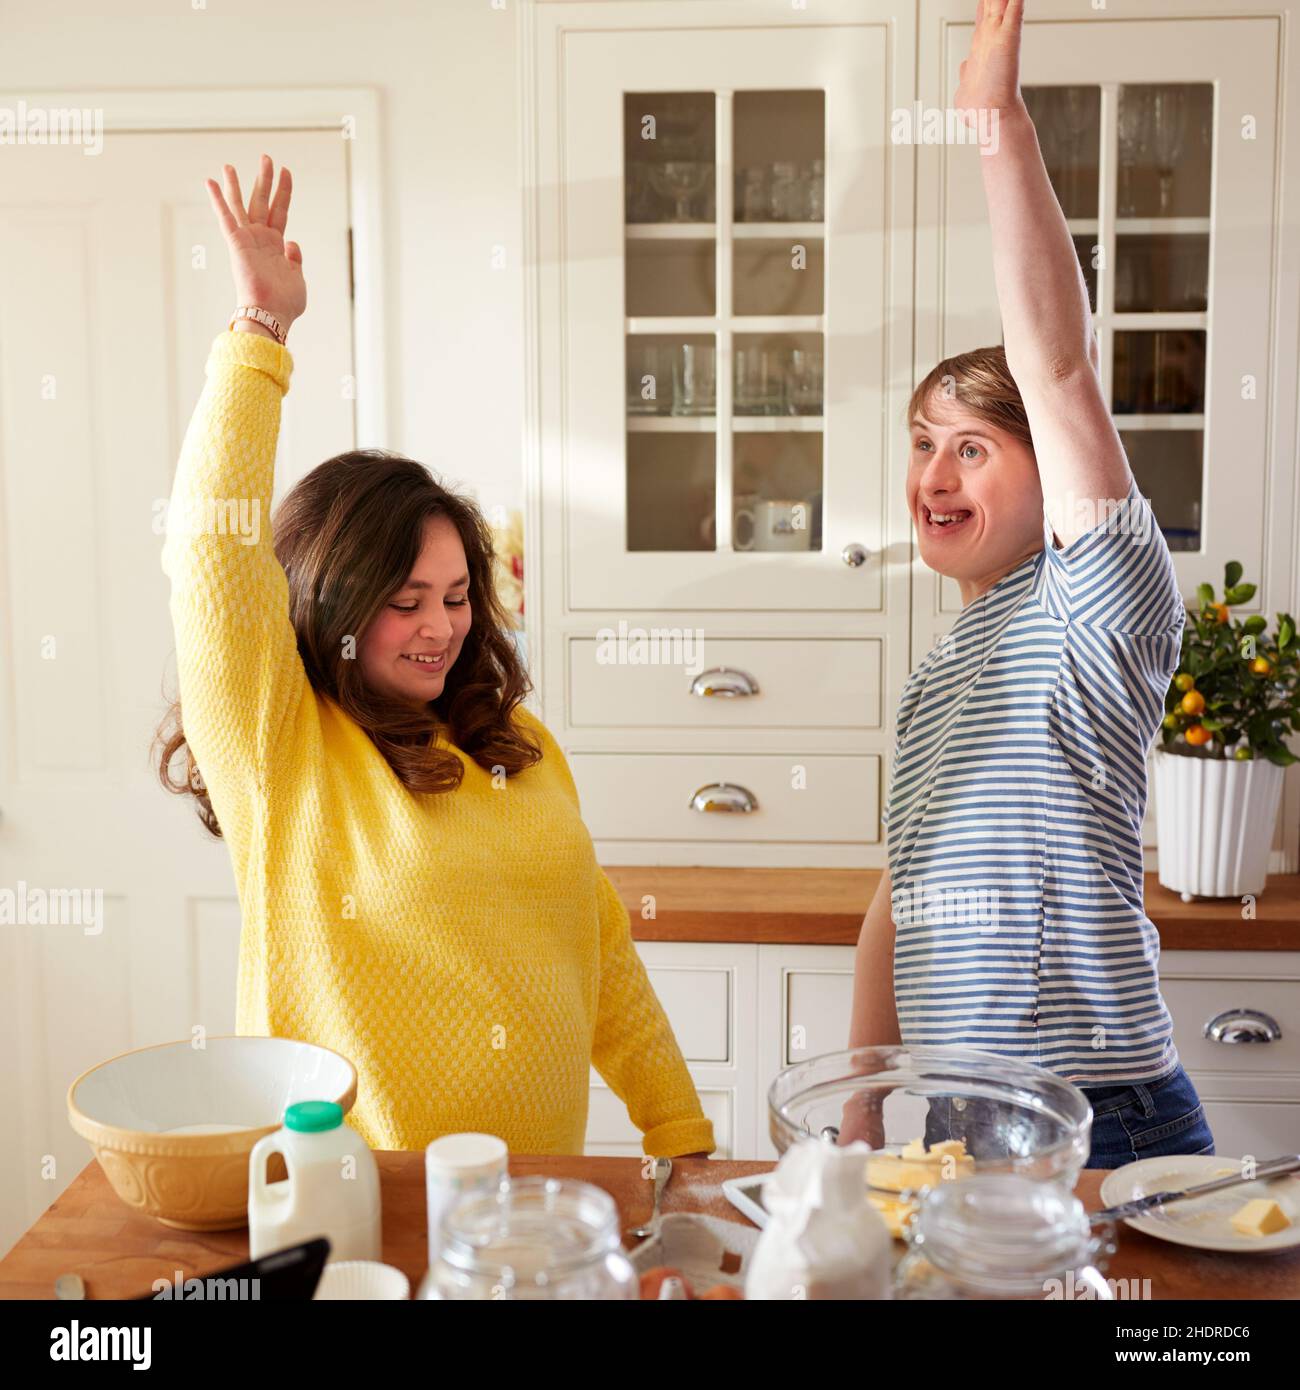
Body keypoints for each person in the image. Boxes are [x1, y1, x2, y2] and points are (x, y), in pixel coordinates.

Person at [156, 154, 713, 1160]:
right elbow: (207, 549)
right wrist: (259, 334)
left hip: (537, 1208)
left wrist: (678, 1130)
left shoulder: (514, 740)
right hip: (362, 1208)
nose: (441, 628)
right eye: (404, 602)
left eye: (457, 597)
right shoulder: (284, 751)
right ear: (330, 603)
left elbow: (600, 961)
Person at [844, 0, 1213, 1167]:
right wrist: (862, 1100)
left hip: (1099, 1112)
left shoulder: (1089, 602)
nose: (933, 475)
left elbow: (1054, 368)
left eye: (970, 447)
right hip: (962, 1115)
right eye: (919, 443)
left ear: (1048, 473)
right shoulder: (939, 673)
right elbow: (893, 903)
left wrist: (996, 125)